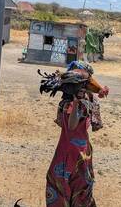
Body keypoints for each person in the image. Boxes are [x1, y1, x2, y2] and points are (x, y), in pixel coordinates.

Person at [42, 62, 108, 207]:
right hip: (82, 152)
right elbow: (91, 125)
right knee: (81, 191)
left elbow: (69, 126)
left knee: (61, 188)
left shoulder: (70, 103)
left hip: (67, 152)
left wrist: (78, 101)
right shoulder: (79, 102)